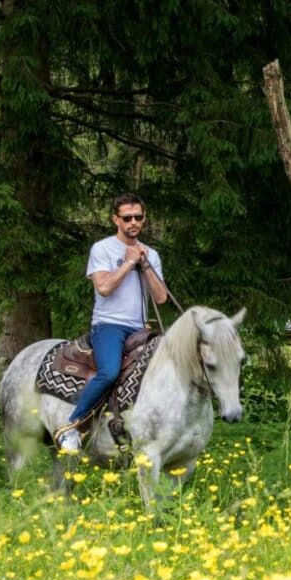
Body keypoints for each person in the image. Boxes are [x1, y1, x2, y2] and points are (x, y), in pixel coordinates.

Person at [54, 193, 168, 453]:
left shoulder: (151, 254)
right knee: (109, 372)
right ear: (115, 219)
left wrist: (145, 264)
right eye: (127, 218)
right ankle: (71, 427)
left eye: (138, 217)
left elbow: (160, 297)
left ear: (144, 218)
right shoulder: (102, 249)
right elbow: (104, 287)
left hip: (141, 328)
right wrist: (128, 262)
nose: (133, 222)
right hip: (108, 325)